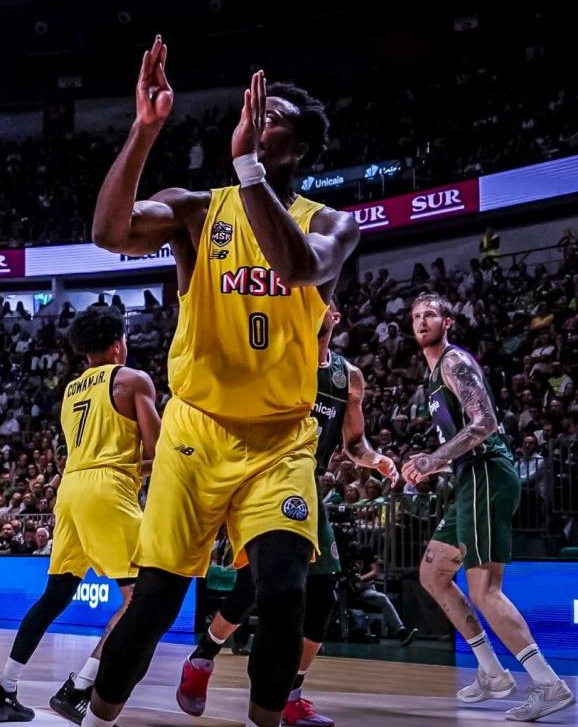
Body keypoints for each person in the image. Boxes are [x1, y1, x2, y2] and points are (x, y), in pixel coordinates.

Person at [85, 42, 361, 727]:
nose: (256, 117)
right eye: (255, 111)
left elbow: (298, 269)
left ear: (297, 148)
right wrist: (145, 129)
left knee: (286, 591)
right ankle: (95, 717)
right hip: (196, 431)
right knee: (153, 603)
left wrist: (246, 169)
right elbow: (108, 232)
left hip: (279, 441)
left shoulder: (331, 223)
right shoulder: (198, 211)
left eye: (274, 117)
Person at [175, 304, 405, 726]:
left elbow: (355, 445)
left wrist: (376, 460)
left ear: (333, 315)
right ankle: (207, 658)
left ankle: (287, 692)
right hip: (262, 479)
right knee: (260, 587)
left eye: (325, 303)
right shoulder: (274, 359)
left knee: (319, 593)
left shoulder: (347, 376)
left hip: (306, 486)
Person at [0, 304, 159, 724]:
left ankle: (3, 688)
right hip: (107, 489)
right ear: (119, 345)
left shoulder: (72, 389)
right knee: (142, 597)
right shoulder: (133, 379)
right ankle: (79, 687)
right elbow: (158, 454)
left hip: (71, 488)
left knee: (55, 595)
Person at [402, 294, 573, 721]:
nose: (422, 321)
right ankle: (493, 673)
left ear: (448, 322)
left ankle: (548, 683)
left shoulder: (454, 363)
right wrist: (432, 467)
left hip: (485, 475)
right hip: (468, 479)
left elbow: (485, 424)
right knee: (433, 572)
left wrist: (434, 458)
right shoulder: (432, 377)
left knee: (484, 590)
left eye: (430, 315)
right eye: (416, 316)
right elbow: (463, 437)